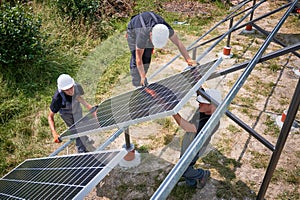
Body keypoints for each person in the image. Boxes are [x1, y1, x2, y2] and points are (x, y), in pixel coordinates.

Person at [126, 11, 195, 87]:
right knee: (138, 57)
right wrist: (142, 76)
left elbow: (178, 43)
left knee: (147, 56)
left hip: (148, 27)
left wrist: (188, 59)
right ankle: (137, 83)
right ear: (151, 34)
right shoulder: (142, 34)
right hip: (133, 31)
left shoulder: (165, 28)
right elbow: (138, 59)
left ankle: (143, 80)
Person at [172, 88, 222, 188]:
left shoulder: (209, 123)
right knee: (186, 163)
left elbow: (187, 127)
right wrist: (194, 77)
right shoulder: (207, 109)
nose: (199, 104)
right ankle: (191, 184)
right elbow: (200, 90)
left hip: (195, 148)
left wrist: (172, 110)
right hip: (188, 141)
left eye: (202, 103)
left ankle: (202, 174)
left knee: (183, 169)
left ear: (211, 105)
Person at [48, 74, 96, 153]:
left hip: (77, 109)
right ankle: (81, 151)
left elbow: (77, 97)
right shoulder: (57, 98)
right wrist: (54, 133)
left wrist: (90, 108)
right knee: (75, 130)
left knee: (80, 125)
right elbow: (50, 117)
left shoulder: (77, 87)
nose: (71, 91)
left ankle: (85, 140)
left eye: (71, 88)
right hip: (66, 114)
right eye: (67, 90)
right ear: (62, 90)